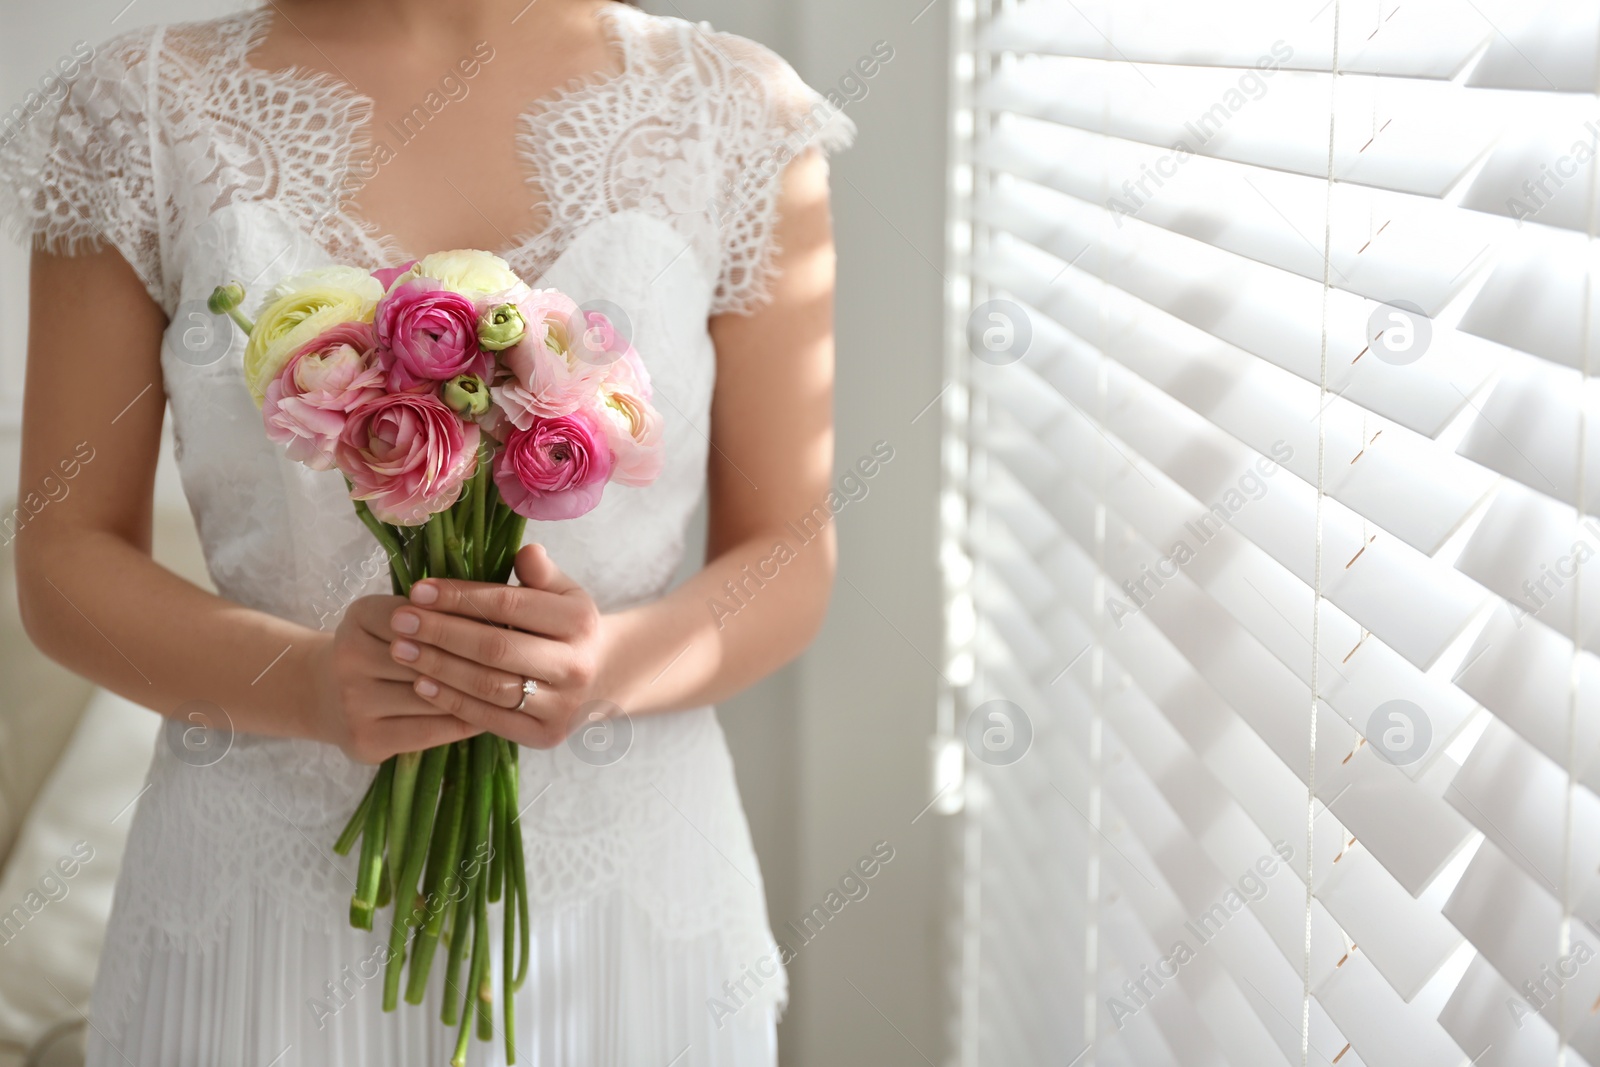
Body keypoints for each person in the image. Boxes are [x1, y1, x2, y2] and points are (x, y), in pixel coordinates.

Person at [2, 0, 851, 1062]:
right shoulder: (134, 111)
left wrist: (606, 666)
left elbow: (786, 548)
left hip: (626, 897)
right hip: (257, 905)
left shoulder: (735, 109)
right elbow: (62, 554)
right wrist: (304, 683)